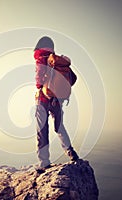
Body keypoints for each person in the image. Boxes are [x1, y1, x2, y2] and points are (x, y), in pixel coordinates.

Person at [34, 36, 79, 172]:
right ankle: (71, 153)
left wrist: (41, 85)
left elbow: (38, 81)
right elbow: (74, 78)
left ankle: (44, 162)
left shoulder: (40, 59)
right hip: (57, 100)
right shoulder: (57, 61)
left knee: (42, 129)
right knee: (59, 126)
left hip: (43, 98)